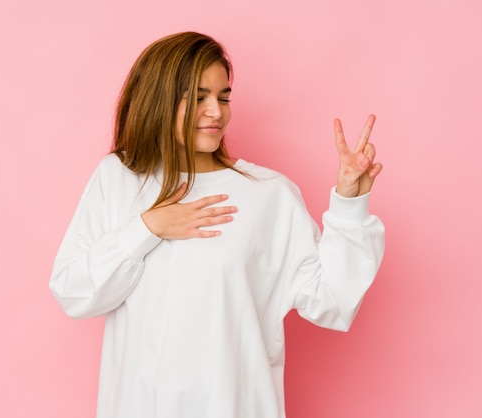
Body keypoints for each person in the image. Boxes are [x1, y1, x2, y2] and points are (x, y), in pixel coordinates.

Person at [49, 31, 385, 418]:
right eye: (198, 98)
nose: (216, 112)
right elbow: (73, 292)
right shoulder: (120, 178)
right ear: (158, 99)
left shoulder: (268, 194)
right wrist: (147, 228)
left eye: (223, 97)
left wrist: (349, 204)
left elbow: (332, 303)